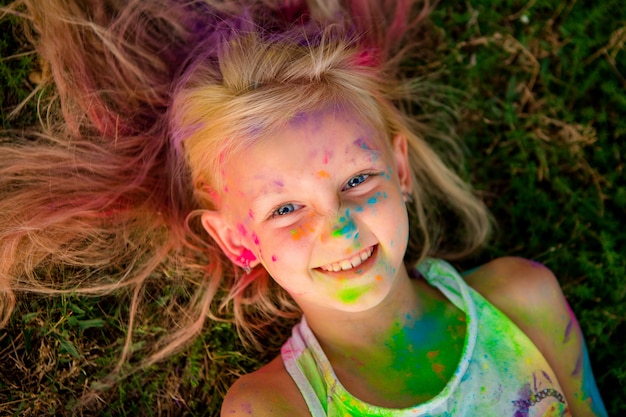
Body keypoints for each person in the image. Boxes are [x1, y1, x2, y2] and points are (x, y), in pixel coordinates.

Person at [0, 0, 607, 416]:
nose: (339, 227)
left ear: (400, 171)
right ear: (236, 238)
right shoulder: (273, 407)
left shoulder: (521, 298)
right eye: (286, 208)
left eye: (359, 179)